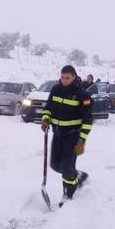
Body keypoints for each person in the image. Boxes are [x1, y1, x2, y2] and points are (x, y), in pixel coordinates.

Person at [41, 65, 93, 207]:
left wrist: (81, 140)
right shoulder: (55, 89)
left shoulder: (83, 95)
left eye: (67, 78)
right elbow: (48, 108)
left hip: (73, 136)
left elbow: (88, 120)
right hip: (57, 134)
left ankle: (67, 195)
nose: (64, 80)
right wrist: (46, 119)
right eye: (62, 77)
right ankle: (79, 176)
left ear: (74, 77)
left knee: (66, 166)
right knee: (55, 165)